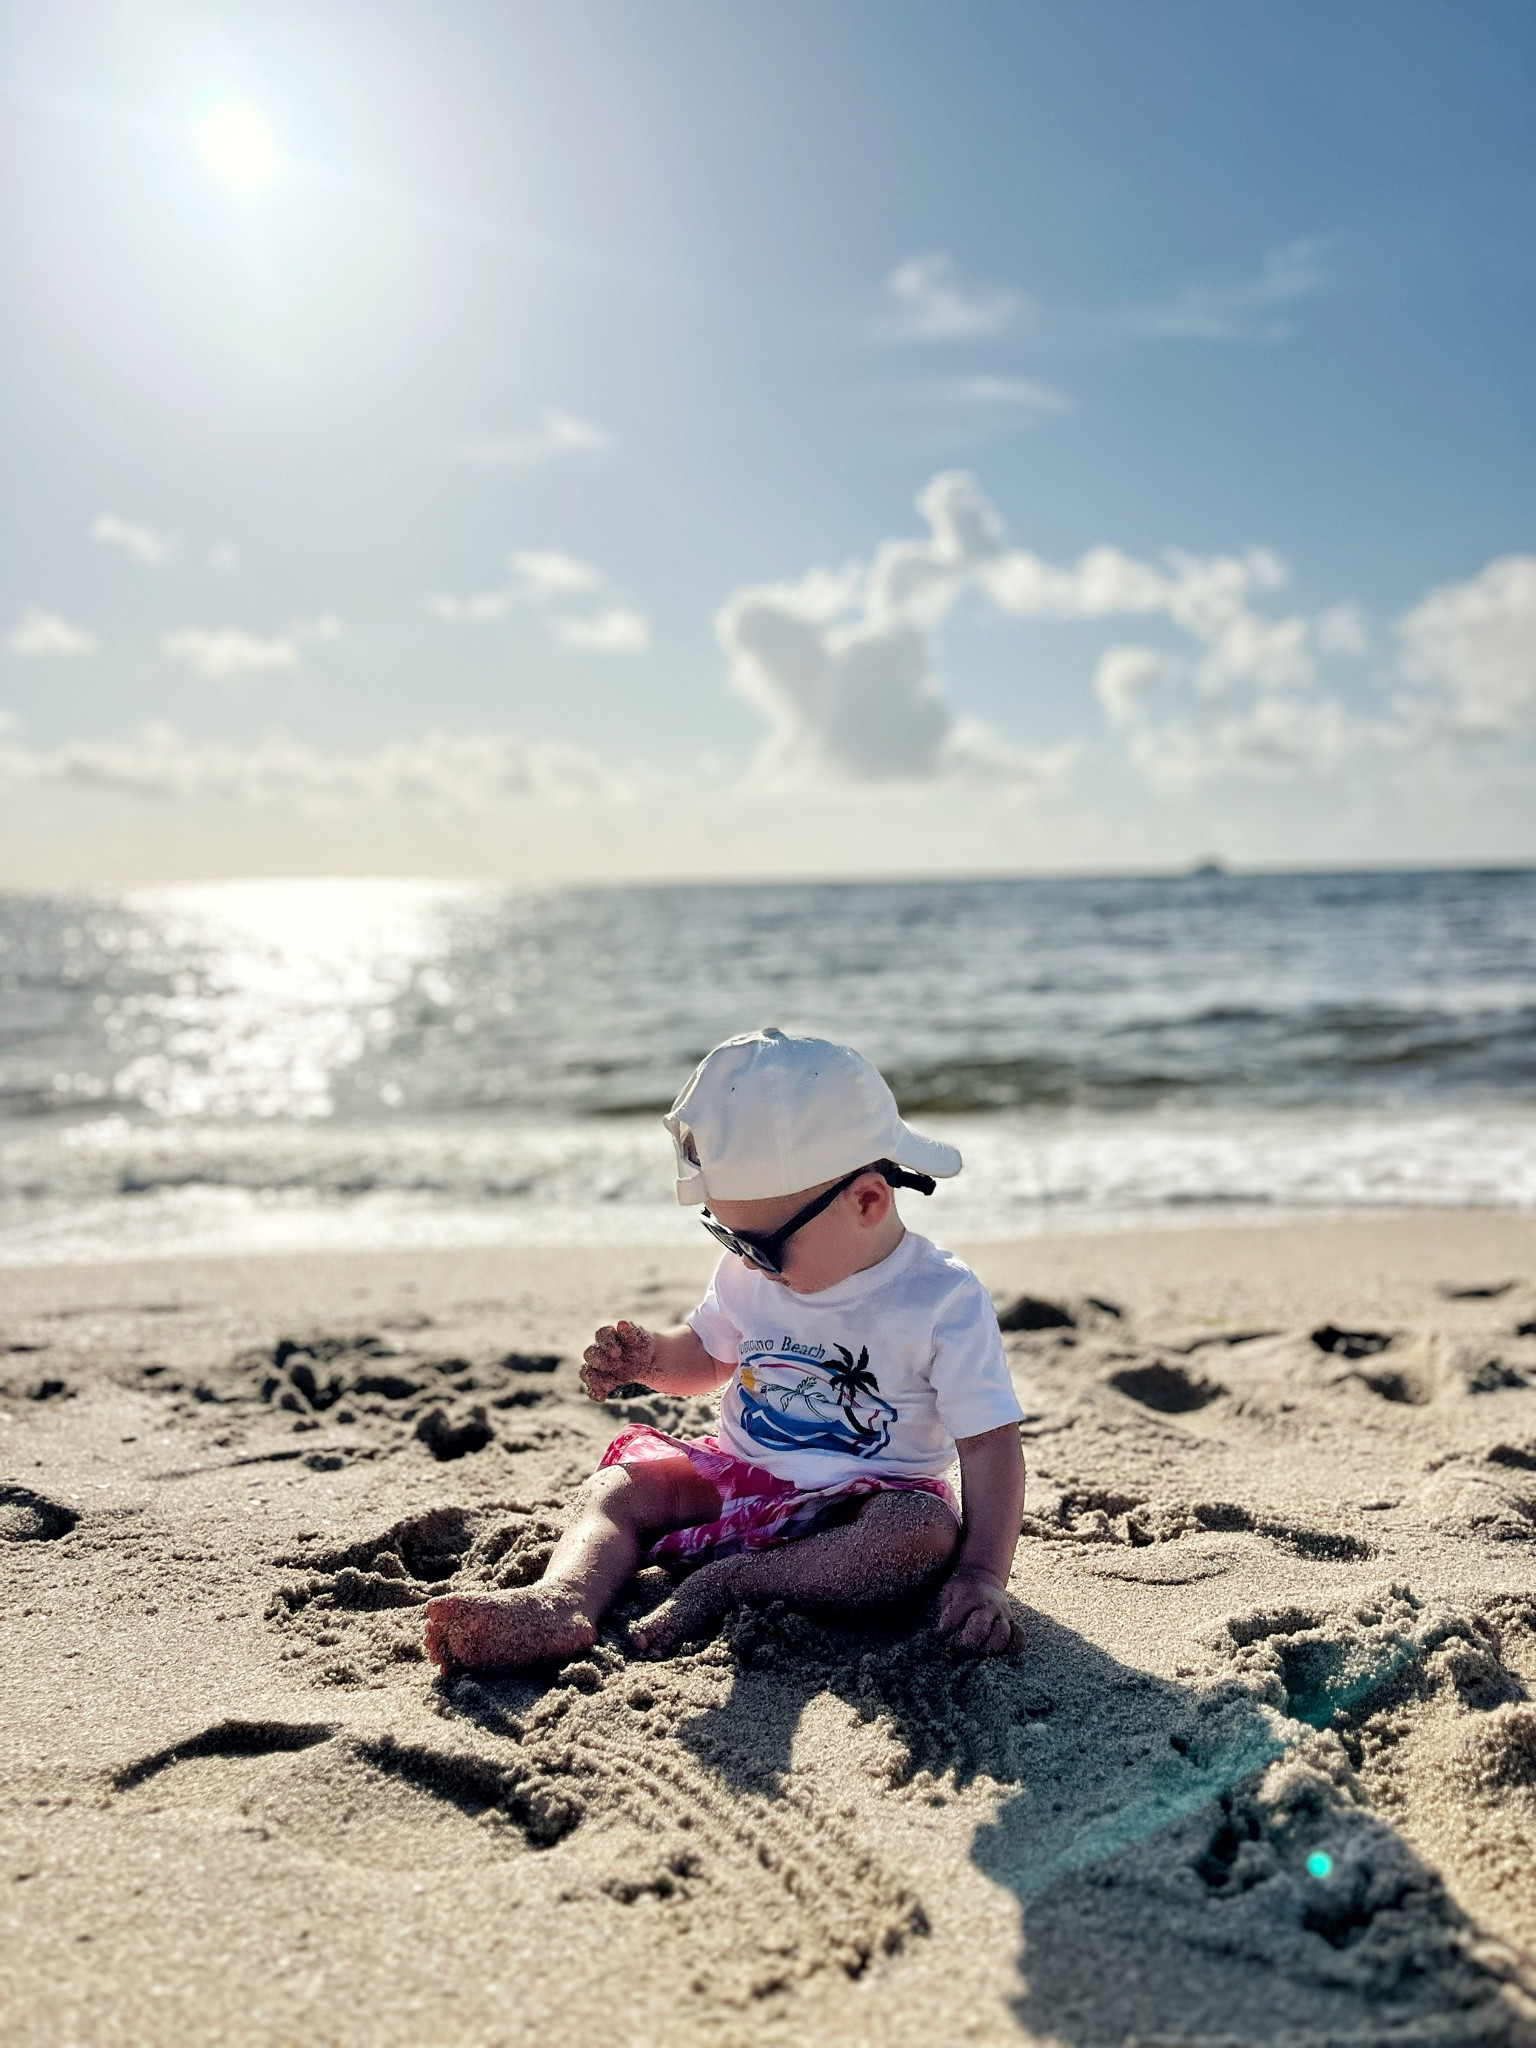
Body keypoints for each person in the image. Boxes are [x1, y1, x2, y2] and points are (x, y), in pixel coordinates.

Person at [424, 1028, 1026, 1673]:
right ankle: (562, 1600)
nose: (745, 1261)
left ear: (868, 1201)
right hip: (741, 1477)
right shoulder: (748, 1276)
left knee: (920, 1537)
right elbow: (709, 1360)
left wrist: (983, 1573)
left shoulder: (940, 1300)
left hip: (864, 1504)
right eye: (727, 1236)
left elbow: (988, 1447)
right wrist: (650, 1359)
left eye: (759, 1245)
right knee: (621, 1487)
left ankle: (737, 1581)